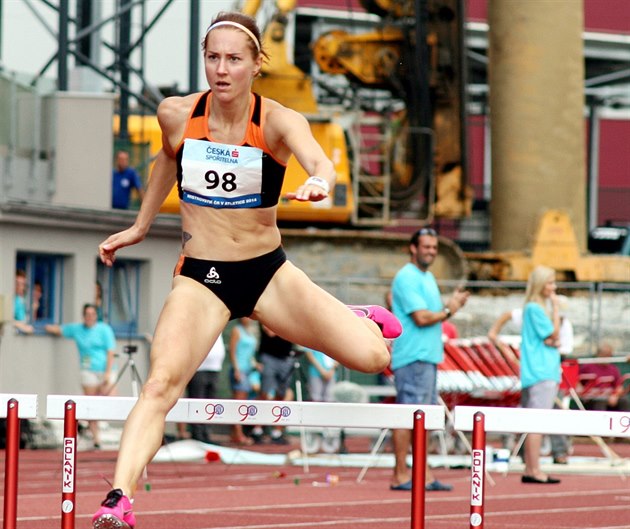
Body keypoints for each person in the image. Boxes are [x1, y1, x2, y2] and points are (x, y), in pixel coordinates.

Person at [92, 11, 400, 527]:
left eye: (234, 59)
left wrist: (320, 182)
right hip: (202, 278)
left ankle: (354, 316)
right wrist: (140, 226)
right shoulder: (176, 113)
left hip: (267, 274)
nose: (222, 69)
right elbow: (166, 158)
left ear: (257, 64)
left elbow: (320, 162)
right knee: (160, 385)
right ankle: (118, 500)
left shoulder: (277, 120)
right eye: (213, 57)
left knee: (373, 357)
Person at [389, 227, 469, 492]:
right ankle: (401, 474)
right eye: (426, 247)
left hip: (427, 357)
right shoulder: (406, 277)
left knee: (421, 418)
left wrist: (450, 305)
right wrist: (449, 309)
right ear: (413, 248)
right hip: (413, 356)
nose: (431, 252)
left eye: (434, 247)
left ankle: (422, 473)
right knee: (408, 415)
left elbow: (432, 314)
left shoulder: (427, 277)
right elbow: (422, 317)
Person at [488, 296, 573, 464]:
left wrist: (552, 343)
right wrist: (493, 332)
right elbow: (509, 315)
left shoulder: (563, 324)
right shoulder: (534, 314)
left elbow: (561, 347)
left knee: (550, 413)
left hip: (549, 372)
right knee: (530, 413)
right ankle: (526, 456)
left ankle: (557, 452)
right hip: (532, 373)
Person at [45, 303, 117, 449]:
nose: (90, 317)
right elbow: (59, 329)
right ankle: (96, 439)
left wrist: (108, 372)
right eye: (87, 314)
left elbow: (111, 351)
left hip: (105, 369)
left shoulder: (104, 329)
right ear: (83, 316)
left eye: (93, 314)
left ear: (96, 316)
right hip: (88, 370)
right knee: (90, 403)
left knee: (112, 400)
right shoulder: (77, 329)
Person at [519, 265, 562, 484]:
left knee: (533, 421)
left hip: (535, 370)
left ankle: (531, 467)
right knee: (537, 422)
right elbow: (553, 333)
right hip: (541, 371)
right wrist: (556, 308)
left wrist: (553, 340)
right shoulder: (536, 308)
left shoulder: (531, 308)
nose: (553, 287)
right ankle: (534, 469)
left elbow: (551, 338)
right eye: (550, 283)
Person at [250, 324, 297, 444]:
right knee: (264, 394)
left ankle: (276, 432)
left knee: (281, 395)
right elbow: (270, 331)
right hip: (269, 357)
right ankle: (257, 429)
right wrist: (284, 329)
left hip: (286, 358)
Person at [228, 317, 259, 445]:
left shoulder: (250, 332)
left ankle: (235, 433)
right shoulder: (237, 330)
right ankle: (238, 434)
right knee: (239, 404)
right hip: (239, 371)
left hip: (249, 371)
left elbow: (250, 355)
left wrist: (255, 364)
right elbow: (232, 351)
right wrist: (237, 369)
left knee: (245, 402)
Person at [578, 341, 630, 412]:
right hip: (593, 397)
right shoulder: (587, 366)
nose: (607, 357)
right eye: (604, 355)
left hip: (609, 395)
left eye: (609, 355)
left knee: (624, 401)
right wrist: (582, 392)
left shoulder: (613, 369)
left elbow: (619, 387)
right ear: (598, 354)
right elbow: (577, 381)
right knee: (601, 401)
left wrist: (615, 395)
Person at [13, 269, 34, 334]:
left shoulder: (20, 300)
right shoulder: (9, 300)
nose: (20, 287)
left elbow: (24, 320)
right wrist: (19, 324)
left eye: (22, 284)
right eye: (17, 283)